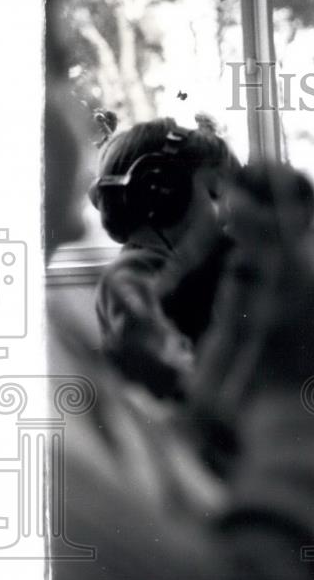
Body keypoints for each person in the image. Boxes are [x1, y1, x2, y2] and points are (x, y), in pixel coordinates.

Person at [44, 0, 314, 580]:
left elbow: (161, 480)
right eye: (60, 69)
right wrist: (295, 400)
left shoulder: (48, 336)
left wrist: (213, 404)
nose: (82, 111)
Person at [89, 116, 241, 401]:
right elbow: (169, 368)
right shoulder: (130, 274)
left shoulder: (190, 267)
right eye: (215, 193)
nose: (228, 212)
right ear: (160, 194)